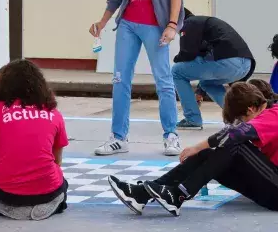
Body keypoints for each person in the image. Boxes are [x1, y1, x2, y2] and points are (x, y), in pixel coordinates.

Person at [89, 0, 185, 156]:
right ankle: (118, 137)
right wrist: (103, 21)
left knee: (163, 80)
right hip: (128, 24)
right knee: (120, 80)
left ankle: (171, 135)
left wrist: (172, 25)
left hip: (156, 25)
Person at [108, 82, 278, 216]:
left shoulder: (273, 114)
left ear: (251, 109)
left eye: (242, 120)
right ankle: (143, 194)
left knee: (234, 145)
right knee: (209, 152)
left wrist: (196, 147)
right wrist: (204, 159)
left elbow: (234, 135)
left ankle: (179, 195)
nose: (242, 124)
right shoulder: (263, 113)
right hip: (270, 188)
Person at [0, 59, 69, 220]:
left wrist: (1, 173)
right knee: (61, 179)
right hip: (49, 197)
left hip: (7, 200)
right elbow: (57, 161)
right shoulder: (54, 113)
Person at [173, 8, 256, 129]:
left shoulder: (189, 23)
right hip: (246, 65)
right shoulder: (204, 25)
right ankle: (236, 118)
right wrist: (199, 92)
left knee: (176, 71)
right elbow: (203, 61)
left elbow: (187, 54)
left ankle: (192, 119)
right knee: (207, 83)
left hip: (227, 62)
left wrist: (170, 60)